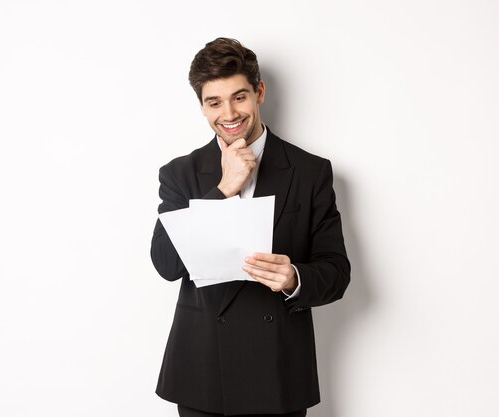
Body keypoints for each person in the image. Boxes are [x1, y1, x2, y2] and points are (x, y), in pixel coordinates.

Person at [150, 37, 350, 417]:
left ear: (259, 92)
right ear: (202, 107)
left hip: (277, 370)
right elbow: (165, 264)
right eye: (214, 102)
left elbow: (337, 273)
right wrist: (224, 188)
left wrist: (294, 277)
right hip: (202, 372)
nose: (229, 113)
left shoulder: (310, 172)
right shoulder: (180, 174)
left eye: (239, 97)